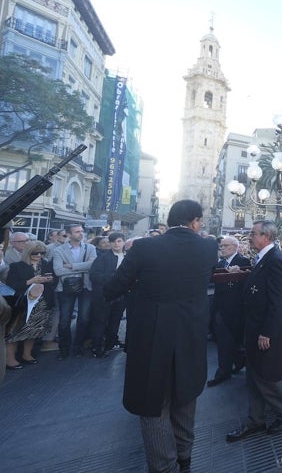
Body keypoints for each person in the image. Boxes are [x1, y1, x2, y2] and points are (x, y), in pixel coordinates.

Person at [103, 200, 217, 473]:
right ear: (195, 221)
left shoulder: (144, 247)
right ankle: (184, 460)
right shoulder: (208, 247)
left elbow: (114, 288)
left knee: (153, 403)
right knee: (186, 397)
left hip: (151, 338)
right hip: (190, 336)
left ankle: (162, 466)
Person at [226, 220, 282, 442]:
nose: (249, 236)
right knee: (253, 375)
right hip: (253, 327)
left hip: (265, 331)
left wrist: (267, 332)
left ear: (266, 236)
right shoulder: (261, 259)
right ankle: (255, 419)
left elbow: (278, 300)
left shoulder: (275, 260)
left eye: (253, 233)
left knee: (265, 376)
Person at [5, 241, 56, 369]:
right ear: (28, 252)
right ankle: (10, 360)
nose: (39, 255)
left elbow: (54, 280)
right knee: (16, 333)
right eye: (35, 252)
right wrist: (30, 281)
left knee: (34, 331)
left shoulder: (46, 264)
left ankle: (27, 355)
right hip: (24, 305)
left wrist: (50, 280)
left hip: (42, 304)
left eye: (42, 253)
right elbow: (11, 286)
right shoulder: (16, 266)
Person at [208, 235, 251, 387]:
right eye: (221, 246)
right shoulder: (220, 263)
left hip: (236, 310)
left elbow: (246, 286)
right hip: (221, 310)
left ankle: (238, 363)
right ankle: (223, 372)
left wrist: (237, 274)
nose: (222, 248)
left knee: (235, 341)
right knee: (223, 343)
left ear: (234, 247)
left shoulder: (243, 262)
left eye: (225, 246)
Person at [52, 224, 97, 359]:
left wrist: (71, 266)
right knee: (64, 320)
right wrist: (83, 268)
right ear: (69, 234)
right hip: (65, 288)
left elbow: (93, 265)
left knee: (84, 319)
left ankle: (78, 346)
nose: (80, 233)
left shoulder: (90, 247)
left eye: (81, 231)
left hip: (86, 286)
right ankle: (64, 349)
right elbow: (58, 270)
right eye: (77, 232)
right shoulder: (59, 250)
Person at [89, 232, 127, 358]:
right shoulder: (103, 258)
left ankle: (112, 342)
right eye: (113, 241)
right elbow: (94, 276)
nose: (116, 244)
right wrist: (115, 276)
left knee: (115, 320)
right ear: (110, 243)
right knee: (100, 321)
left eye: (119, 241)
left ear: (123, 242)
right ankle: (97, 346)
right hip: (104, 295)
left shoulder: (129, 257)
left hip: (121, 295)